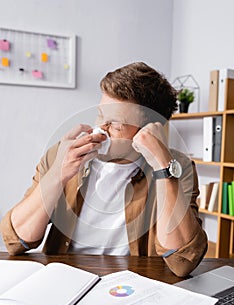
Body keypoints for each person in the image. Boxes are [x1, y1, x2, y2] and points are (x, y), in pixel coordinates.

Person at [0, 62, 207, 277]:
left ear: (148, 131)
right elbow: (15, 240)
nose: (100, 129)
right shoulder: (62, 154)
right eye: (100, 115)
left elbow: (182, 262)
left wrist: (163, 168)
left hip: (132, 287)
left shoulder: (177, 166)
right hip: (63, 279)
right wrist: (57, 175)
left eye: (116, 124)